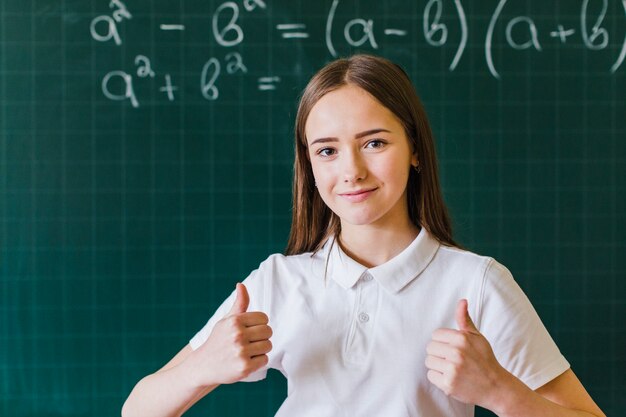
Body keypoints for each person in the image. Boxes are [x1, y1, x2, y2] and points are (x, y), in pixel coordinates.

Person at [121, 54, 605, 417]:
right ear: (309, 165)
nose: (351, 171)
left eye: (374, 143)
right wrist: (202, 366)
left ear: (414, 148)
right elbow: (137, 409)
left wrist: (502, 392)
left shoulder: (476, 283)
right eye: (327, 151)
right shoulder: (278, 281)